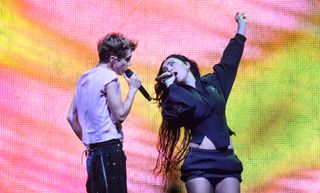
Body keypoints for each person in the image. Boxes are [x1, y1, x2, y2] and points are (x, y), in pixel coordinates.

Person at [154, 13, 247, 193]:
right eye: (166, 69)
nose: (169, 69)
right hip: (199, 162)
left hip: (226, 159)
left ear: (187, 64)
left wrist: (241, 28)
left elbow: (230, 61)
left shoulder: (213, 83)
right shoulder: (173, 100)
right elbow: (194, 105)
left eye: (172, 64)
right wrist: (171, 86)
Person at [67, 33, 141, 193]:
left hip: (93, 153)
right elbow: (120, 115)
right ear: (113, 58)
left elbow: (71, 117)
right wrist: (133, 90)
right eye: (127, 59)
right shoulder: (109, 78)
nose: (129, 63)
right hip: (110, 151)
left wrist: (89, 141)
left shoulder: (84, 78)